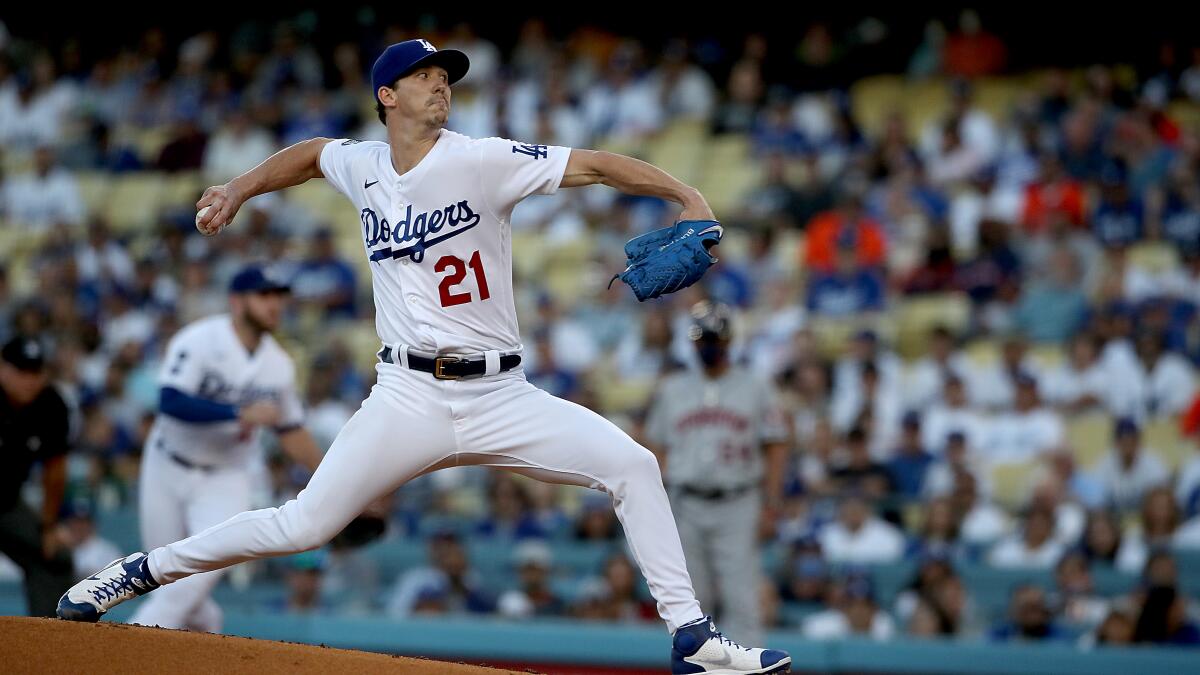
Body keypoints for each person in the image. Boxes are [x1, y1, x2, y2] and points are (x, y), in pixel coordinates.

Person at [57, 39, 790, 675]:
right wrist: (241, 187)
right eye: (427, 74)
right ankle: (134, 571)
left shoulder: (483, 159)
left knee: (634, 464)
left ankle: (692, 637)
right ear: (388, 95)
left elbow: (594, 166)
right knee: (304, 524)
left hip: (502, 395)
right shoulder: (364, 164)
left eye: (447, 75)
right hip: (406, 396)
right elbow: (311, 155)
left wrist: (684, 191)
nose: (442, 83)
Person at [126, 264, 324, 632]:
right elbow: (169, 401)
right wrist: (237, 413)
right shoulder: (199, 339)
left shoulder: (279, 365)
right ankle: (211, 636)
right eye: (264, 295)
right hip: (167, 465)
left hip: (227, 477)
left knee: (193, 579)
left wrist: (334, 478)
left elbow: (291, 429)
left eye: (279, 296)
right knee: (171, 581)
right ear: (237, 301)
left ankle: (119, 649)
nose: (275, 304)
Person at [643, 301, 790, 646]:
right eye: (702, 339)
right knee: (691, 599)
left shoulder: (755, 386)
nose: (709, 346)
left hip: (737, 501)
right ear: (693, 343)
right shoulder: (673, 388)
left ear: (729, 341)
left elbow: (777, 444)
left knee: (742, 599)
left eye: (715, 339)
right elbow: (654, 446)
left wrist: (771, 502)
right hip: (685, 502)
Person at [0, 336, 75, 616]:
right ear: (2, 369)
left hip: (7, 503)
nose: (29, 380)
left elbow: (55, 470)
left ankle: (48, 644)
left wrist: (48, 525)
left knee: (54, 558)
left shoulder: (50, 403)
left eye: (35, 372)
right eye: (21, 372)